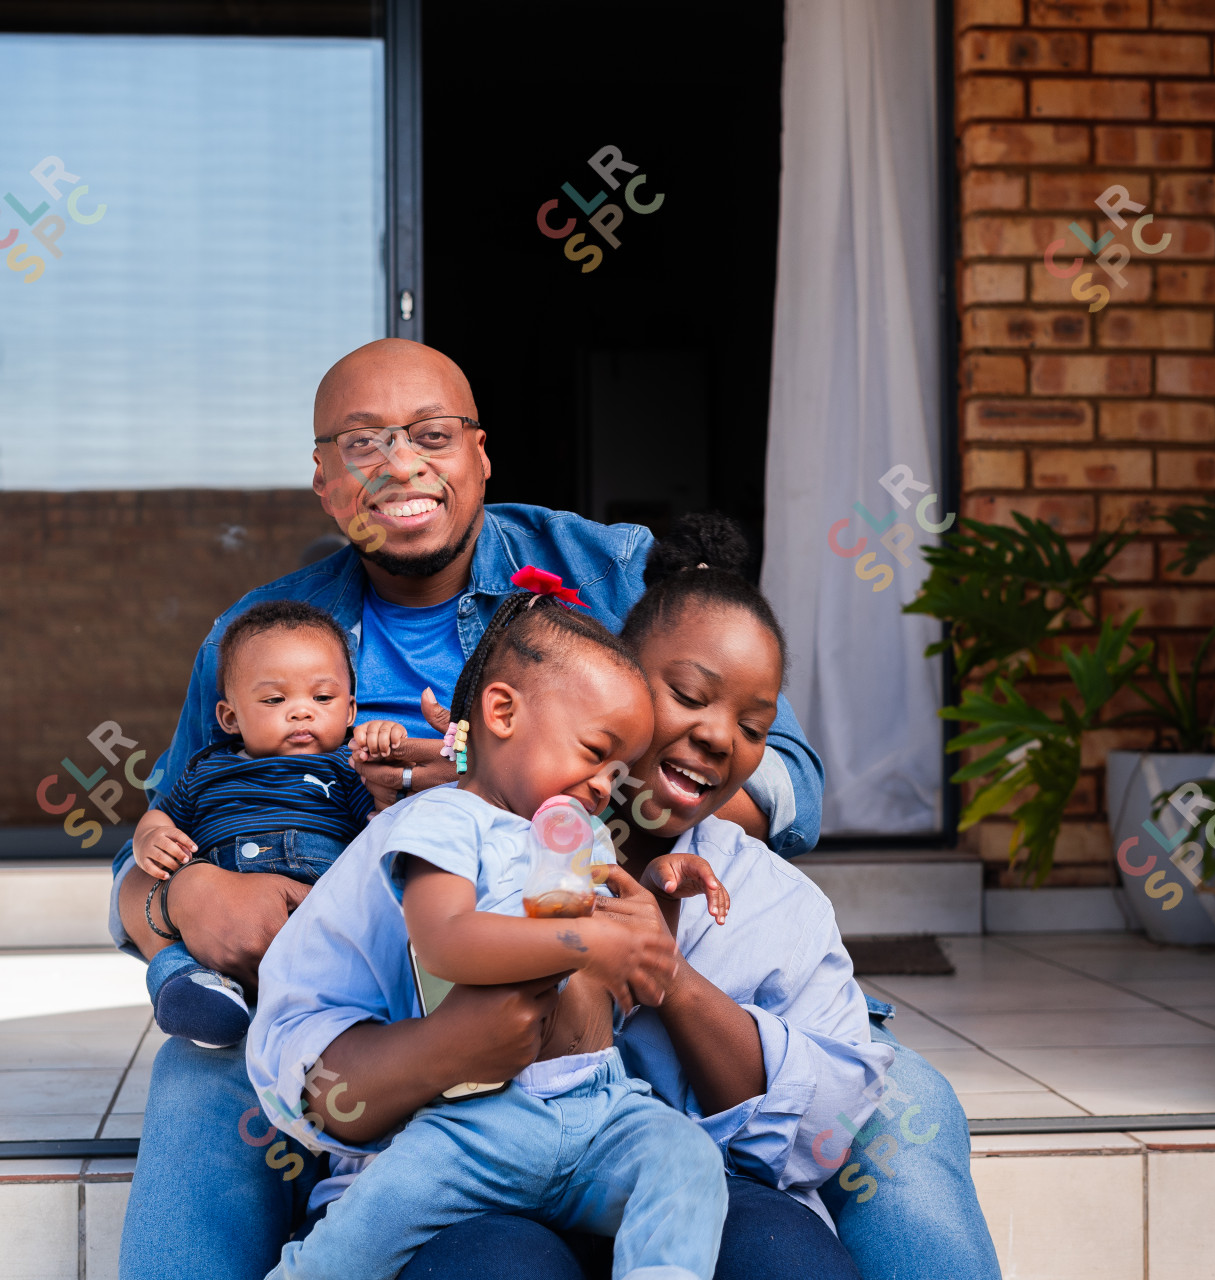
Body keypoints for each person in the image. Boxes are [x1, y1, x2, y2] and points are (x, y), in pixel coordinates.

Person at [111, 340, 987, 1280]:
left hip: (634, 978)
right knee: (202, 1083)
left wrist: (584, 818)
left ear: (481, 453)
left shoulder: (604, 567)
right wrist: (174, 903)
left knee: (910, 1111)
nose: (401, 465)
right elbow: (165, 837)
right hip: (379, 988)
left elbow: (786, 777)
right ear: (323, 480)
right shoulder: (263, 635)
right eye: (363, 444)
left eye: (432, 435)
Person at [304, 517, 1001, 1280]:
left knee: (789, 1254)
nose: (717, 737)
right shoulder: (455, 842)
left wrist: (666, 974)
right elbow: (325, 1071)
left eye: (753, 726)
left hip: (687, 1180)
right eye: (687, 696)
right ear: (616, 686)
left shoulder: (774, 903)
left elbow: (823, 1133)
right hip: (478, 1183)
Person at [250, 586, 740, 1280]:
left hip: (599, 1106)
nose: (605, 785)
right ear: (503, 712)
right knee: (377, 1212)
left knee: (687, 1159)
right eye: (594, 752)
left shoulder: (583, 833)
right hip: (478, 1123)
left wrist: (660, 893)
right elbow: (447, 940)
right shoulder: (447, 821)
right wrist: (587, 943)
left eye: (616, 770)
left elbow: (619, 975)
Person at [130, 601, 387, 1047]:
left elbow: (382, 823)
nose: (301, 711)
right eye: (274, 699)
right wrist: (151, 835)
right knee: (177, 960)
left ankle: (338, 1016)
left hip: (315, 901)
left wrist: (383, 756)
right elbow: (162, 814)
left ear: (349, 712)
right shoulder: (205, 770)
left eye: (322, 698)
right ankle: (206, 1004)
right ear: (230, 718)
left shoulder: (347, 767)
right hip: (223, 913)